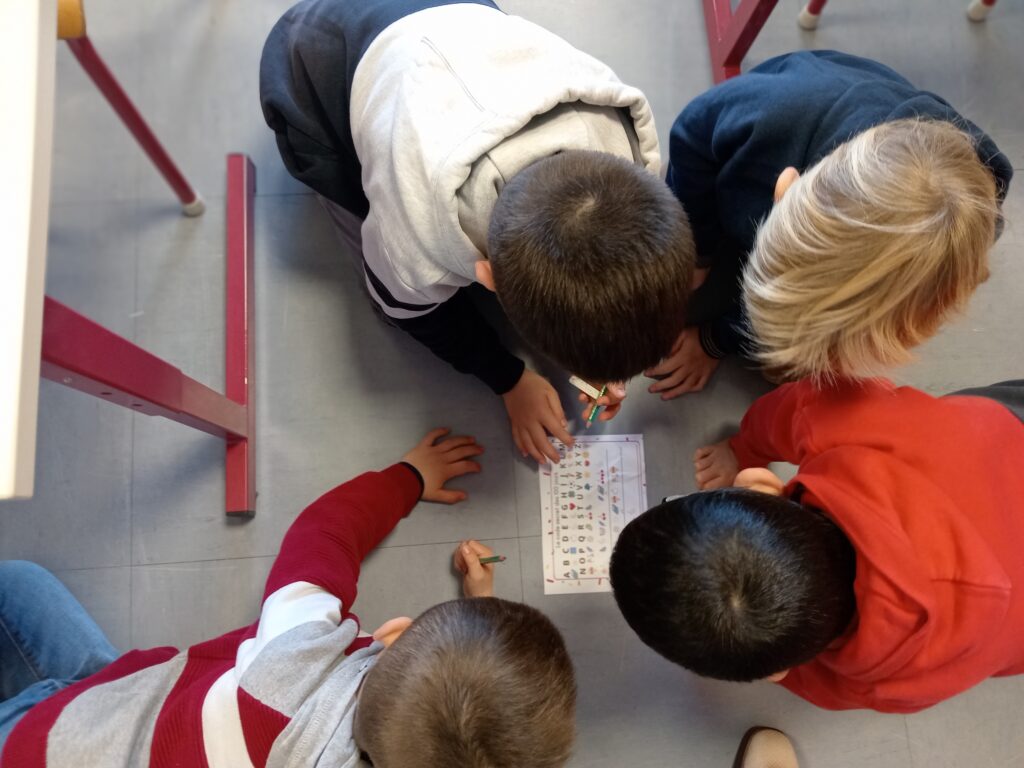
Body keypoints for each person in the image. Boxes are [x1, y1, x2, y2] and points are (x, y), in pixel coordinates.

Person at [259, 0, 695, 464]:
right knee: (376, 257)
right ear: (485, 275)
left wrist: (602, 354)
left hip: (453, 20)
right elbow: (412, 312)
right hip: (310, 59)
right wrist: (508, 379)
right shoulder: (417, 245)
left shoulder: (630, 151)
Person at [0, 429, 578, 767]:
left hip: (49, 741)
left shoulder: (293, 656)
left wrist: (408, 477)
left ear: (392, 634)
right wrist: (480, 606)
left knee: (19, 587)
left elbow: (324, 532)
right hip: (140, 732)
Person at [610, 378, 1024, 713]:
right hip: (1005, 434)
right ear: (760, 485)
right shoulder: (861, 426)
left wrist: (781, 666)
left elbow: (806, 676)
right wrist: (744, 447)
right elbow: (801, 404)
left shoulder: (883, 686)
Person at [647, 49, 1012, 398]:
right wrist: (699, 251)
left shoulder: (960, 234)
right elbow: (691, 135)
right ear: (784, 191)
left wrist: (715, 341)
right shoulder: (773, 112)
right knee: (660, 303)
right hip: (721, 196)